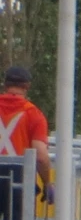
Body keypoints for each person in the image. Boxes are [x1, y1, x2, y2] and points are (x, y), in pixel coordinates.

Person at [0, 65, 52, 200]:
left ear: (5, 85)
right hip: (19, 179)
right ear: (27, 86)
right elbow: (40, 156)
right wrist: (47, 183)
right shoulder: (33, 114)